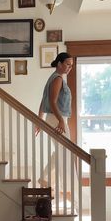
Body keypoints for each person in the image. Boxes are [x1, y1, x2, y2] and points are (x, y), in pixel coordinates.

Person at [36, 52, 73, 194]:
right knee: (66, 151)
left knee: (62, 151)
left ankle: (46, 179)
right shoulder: (57, 79)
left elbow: (43, 100)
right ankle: (52, 182)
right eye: (67, 64)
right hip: (57, 119)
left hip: (54, 119)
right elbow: (51, 102)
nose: (70, 68)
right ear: (59, 63)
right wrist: (61, 121)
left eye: (71, 65)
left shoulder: (53, 77)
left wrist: (39, 120)